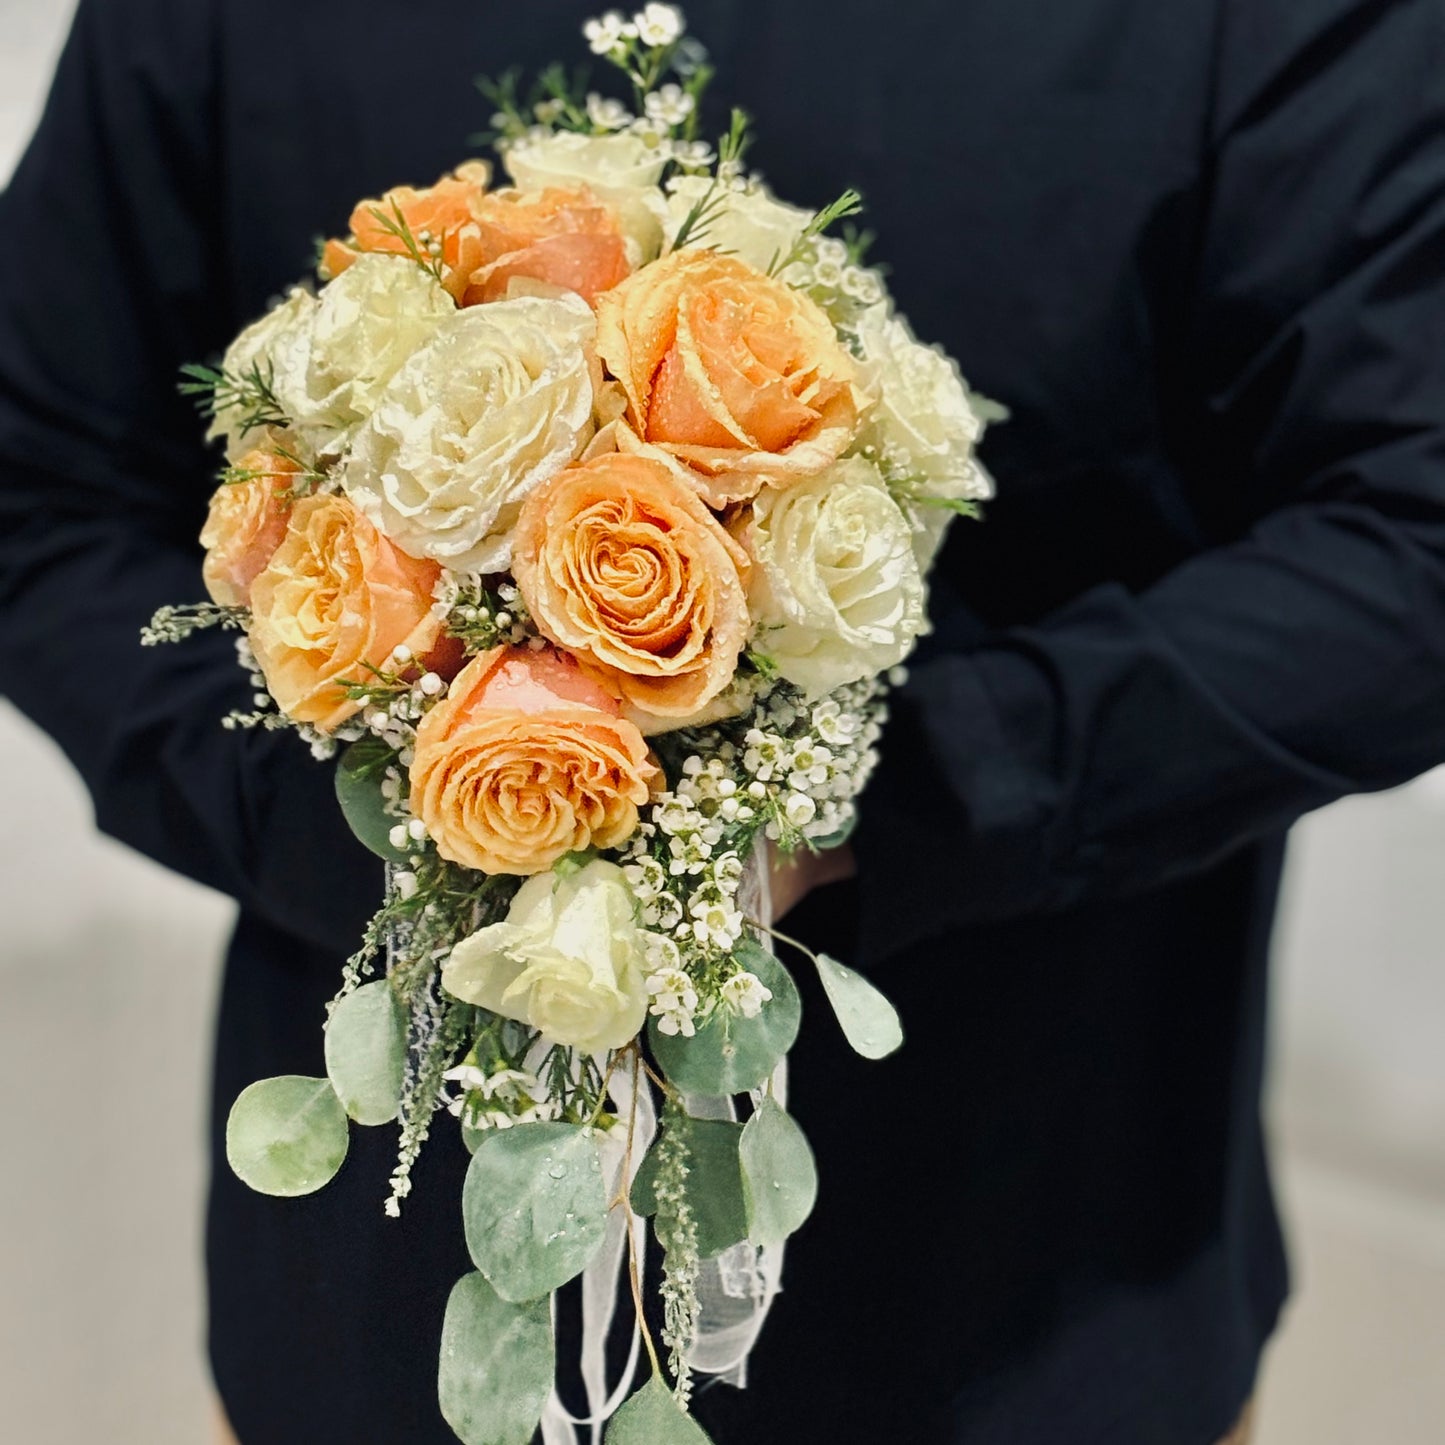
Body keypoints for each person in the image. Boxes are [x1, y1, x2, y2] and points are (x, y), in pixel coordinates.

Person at [2, 0, 1443, 1441]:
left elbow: (1410, 541)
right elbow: (37, 478)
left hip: (1029, 1289)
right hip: (373, 1339)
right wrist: (414, 805)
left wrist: (880, 798)